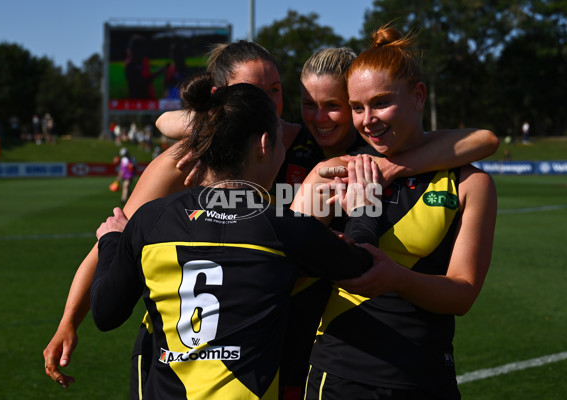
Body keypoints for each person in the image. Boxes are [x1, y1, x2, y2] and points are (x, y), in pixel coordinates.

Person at [42, 40, 497, 396]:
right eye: (258, 95)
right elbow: (117, 241)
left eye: (278, 91)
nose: (274, 104)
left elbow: (480, 140)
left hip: (288, 337)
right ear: (227, 99)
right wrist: (68, 320)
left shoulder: (318, 146)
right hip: (183, 347)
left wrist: (393, 168)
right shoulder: (189, 159)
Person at [90, 76, 375, 399]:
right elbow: (363, 266)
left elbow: (105, 313)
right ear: (264, 144)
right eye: (281, 141)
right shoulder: (285, 227)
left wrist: (111, 241)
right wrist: (364, 209)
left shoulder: (150, 219)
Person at [293, 25, 497, 399]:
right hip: (339, 376)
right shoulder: (334, 171)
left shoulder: (470, 184)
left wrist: (398, 278)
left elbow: (463, 295)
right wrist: (324, 218)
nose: (367, 119)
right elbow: (283, 271)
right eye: (356, 107)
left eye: (381, 102)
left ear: (419, 96)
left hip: (426, 377)